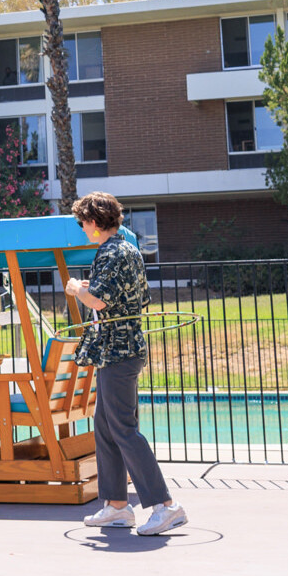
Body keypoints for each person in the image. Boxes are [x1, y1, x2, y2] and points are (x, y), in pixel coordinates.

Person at [62, 192, 188, 536]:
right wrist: (93, 288)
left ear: (92, 221)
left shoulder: (109, 253)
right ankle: (117, 506)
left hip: (118, 353)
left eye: (82, 221)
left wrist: (76, 288)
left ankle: (165, 505)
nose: (82, 227)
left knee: (122, 429)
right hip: (124, 350)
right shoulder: (128, 248)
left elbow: (99, 302)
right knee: (105, 427)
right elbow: (131, 297)